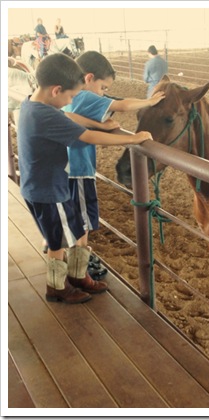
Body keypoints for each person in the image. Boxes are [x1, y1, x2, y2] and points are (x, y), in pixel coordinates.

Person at [17, 53, 154, 304]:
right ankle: (56, 287)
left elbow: (69, 117)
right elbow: (87, 137)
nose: (71, 102)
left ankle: (77, 276)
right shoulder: (45, 115)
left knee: (75, 228)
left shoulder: (31, 105)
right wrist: (131, 139)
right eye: (70, 97)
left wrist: (99, 125)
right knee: (57, 241)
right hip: (49, 190)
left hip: (39, 186)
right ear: (57, 90)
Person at [62, 50, 165, 279]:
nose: (104, 93)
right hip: (78, 169)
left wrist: (98, 125)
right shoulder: (85, 97)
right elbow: (123, 105)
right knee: (83, 220)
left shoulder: (68, 97)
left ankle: (68, 255)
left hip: (64, 168)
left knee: (71, 215)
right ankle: (80, 268)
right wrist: (150, 101)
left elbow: (73, 120)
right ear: (89, 78)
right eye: (103, 88)